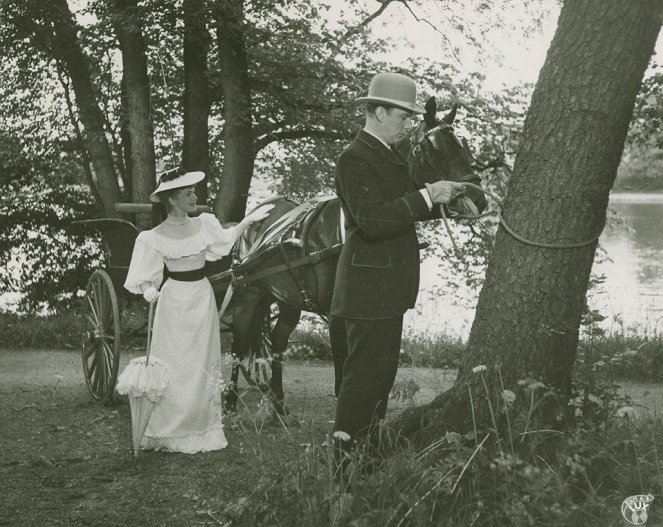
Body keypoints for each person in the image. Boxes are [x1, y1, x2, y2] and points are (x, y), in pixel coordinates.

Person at [329, 72, 475, 457]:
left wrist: (448, 203)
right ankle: (344, 472)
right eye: (404, 117)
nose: (410, 125)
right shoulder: (354, 158)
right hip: (367, 294)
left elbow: (400, 210)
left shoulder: (386, 156)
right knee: (361, 384)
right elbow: (374, 221)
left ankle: (365, 465)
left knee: (378, 384)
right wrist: (427, 195)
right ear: (378, 112)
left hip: (387, 293)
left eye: (412, 118)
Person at [123, 168, 273, 454]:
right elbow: (146, 275)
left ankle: (202, 425)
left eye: (194, 191)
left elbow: (226, 241)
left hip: (201, 299)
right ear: (171, 200)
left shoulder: (205, 224)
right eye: (188, 193)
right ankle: (168, 428)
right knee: (174, 362)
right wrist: (147, 289)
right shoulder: (152, 237)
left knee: (202, 362)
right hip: (173, 302)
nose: (195, 196)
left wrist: (247, 222)